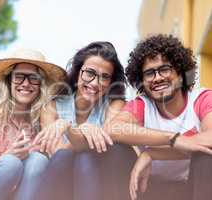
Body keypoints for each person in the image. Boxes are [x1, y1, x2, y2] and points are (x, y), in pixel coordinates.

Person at [106, 34, 212, 200]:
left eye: (164, 69)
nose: (157, 78)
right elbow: (112, 128)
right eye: (149, 73)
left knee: (206, 157)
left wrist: (153, 153)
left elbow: (210, 140)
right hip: (149, 189)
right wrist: (173, 139)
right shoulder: (142, 104)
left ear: (180, 71)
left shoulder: (201, 99)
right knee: (116, 150)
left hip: (194, 188)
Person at [33, 41, 137, 200]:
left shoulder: (115, 105)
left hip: (102, 183)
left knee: (86, 159)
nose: (95, 83)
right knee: (67, 157)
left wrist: (72, 131)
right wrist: (79, 132)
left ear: (110, 82)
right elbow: (58, 153)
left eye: (105, 77)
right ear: (77, 72)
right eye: (89, 73)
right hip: (63, 182)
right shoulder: (52, 106)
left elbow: (109, 142)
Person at [0, 49, 67, 200]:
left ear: (40, 84)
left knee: (38, 159)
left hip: (20, 195)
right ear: (9, 81)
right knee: (11, 163)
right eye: (19, 77)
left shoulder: (40, 120)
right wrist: (9, 155)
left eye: (33, 78)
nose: (26, 83)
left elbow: (62, 157)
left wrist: (63, 124)